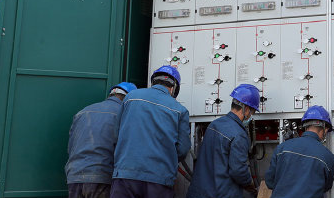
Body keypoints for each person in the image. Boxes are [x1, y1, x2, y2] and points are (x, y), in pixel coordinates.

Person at [111, 66, 190, 198]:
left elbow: (116, 135)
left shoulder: (131, 97)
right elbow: (183, 149)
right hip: (159, 178)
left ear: (153, 81)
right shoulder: (180, 110)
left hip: (125, 174)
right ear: (174, 88)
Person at [186, 84, 260, 198]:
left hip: (197, 192)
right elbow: (238, 171)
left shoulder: (214, 124)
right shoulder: (239, 134)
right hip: (220, 194)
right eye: (252, 112)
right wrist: (250, 185)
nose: (251, 116)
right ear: (246, 109)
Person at [65, 82, 137, 198]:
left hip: (75, 176)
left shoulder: (83, 112)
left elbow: (71, 147)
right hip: (101, 177)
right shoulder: (124, 114)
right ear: (128, 99)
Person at [264, 105, 334, 198]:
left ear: (305, 126)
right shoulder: (328, 157)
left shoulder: (281, 148)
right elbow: (326, 187)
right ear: (325, 129)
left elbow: (270, 181)